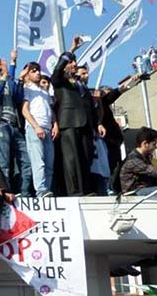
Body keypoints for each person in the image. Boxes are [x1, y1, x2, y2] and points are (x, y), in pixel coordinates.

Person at [0, 50, 31, 197]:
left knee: (25, 161)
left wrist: (17, 73)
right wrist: (4, 76)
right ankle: (6, 192)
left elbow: (17, 97)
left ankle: (25, 192)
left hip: (14, 125)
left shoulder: (7, 80)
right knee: (4, 162)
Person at [51, 36, 97, 196]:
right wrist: (71, 50)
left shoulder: (79, 84)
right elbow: (57, 70)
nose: (74, 64)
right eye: (70, 62)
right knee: (71, 159)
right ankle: (74, 191)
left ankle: (85, 189)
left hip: (84, 123)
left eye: (75, 62)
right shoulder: (59, 80)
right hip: (68, 122)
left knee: (85, 157)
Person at [21, 62, 58, 198]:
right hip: (34, 128)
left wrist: (55, 124)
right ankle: (40, 189)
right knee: (38, 161)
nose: (37, 73)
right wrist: (36, 126)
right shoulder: (27, 89)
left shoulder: (44, 91)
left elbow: (50, 110)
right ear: (27, 75)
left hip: (48, 128)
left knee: (49, 163)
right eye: (33, 71)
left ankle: (47, 189)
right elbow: (25, 110)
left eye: (38, 70)